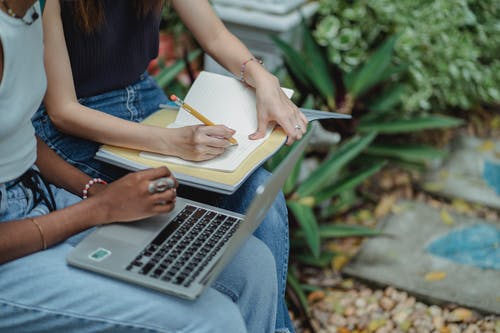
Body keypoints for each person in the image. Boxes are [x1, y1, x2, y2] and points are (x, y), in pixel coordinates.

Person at [0, 1, 279, 332]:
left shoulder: (29, 12)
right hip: (14, 234)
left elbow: (21, 139)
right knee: (215, 320)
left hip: (37, 190)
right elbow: (60, 112)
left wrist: (92, 190)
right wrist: (98, 210)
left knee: (250, 264)